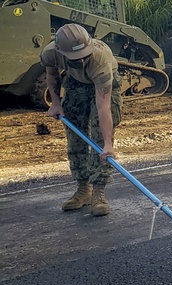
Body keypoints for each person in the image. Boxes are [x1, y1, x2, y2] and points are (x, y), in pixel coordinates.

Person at [41, 23, 121, 217]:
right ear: (61, 51)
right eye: (76, 58)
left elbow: (103, 108)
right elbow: (52, 75)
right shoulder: (50, 53)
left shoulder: (100, 59)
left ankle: (99, 192)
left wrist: (108, 144)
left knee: (99, 138)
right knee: (75, 136)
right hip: (75, 83)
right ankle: (83, 189)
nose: (82, 59)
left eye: (84, 55)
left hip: (102, 86)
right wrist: (56, 103)